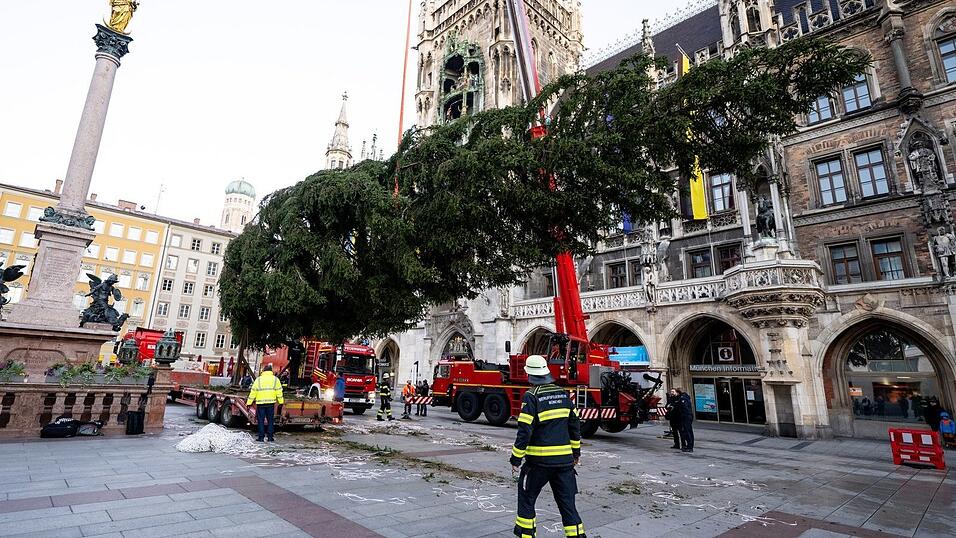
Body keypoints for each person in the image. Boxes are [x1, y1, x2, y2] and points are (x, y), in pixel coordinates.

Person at [510, 355, 585, 538]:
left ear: (529, 375)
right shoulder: (564, 394)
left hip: (538, 463)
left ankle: (526, 535)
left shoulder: (531, 397)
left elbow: (524, 431)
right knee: (568, 506)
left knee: (527, 500)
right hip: (565, 463)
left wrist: (516, 458)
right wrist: (576, 453)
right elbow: (575, 427)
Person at [245, 364, 284, 442]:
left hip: (261, 404)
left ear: (263, 371)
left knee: (261, 421)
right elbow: (279, 392)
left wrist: (248, 403)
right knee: (270, 421)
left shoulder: (258, 380)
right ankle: (270, 437)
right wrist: (281, 402)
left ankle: (261, 437)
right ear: (271, 371)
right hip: (271, 404)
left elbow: (253, 392)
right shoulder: (275, 380)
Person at [677, 387, 694, 453]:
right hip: (688, 416)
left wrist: (683, 415)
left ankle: (690, 447)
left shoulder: (683, 398)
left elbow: (685, 408)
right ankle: (690, 446)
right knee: (689, 431)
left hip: (686, 416)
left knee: (687, 431)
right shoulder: (687, 397)